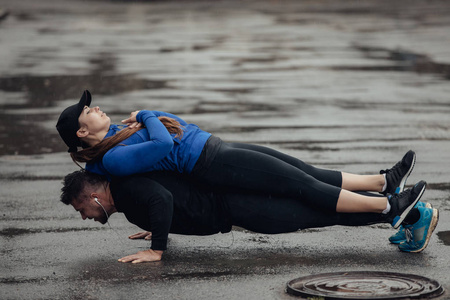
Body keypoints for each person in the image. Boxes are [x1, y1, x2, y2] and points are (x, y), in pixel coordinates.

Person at [56, 90, 424, 230]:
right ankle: (388, 207)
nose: (95, 107)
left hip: (216, 149)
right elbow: (164, 145)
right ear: (82, 133)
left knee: (304, 172)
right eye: (88, 111)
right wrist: (149, 112)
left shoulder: (116, 136)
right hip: (212, 162)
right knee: (302, 186)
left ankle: (383, 182)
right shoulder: (114, 158)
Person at [60, 170, 439, 263]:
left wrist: (158, 247)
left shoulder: (126, 190)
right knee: (320, 206)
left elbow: (160, 198)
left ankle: (413, 214)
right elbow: (164, 203)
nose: (85, 217)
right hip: (234, 204)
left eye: (82, 210)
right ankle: (402, 209)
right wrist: (161, 226)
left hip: (238, 207)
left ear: (93, 195)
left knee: (321, 212)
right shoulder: (127, 198)